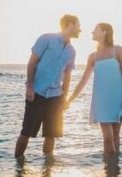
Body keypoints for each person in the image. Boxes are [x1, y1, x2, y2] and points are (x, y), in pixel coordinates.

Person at [14, 15, 81, 158]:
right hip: (36, 94)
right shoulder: (46, 39)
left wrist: (64, 97)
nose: (80, 29)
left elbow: (67, 75)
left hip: (56, 97)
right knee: (26, 132)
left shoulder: (71, 51)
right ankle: (18, 168)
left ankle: (47, 173)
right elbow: (31, 63)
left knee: (51, 135)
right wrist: (30, 86)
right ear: (70, 25)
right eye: (78, 25)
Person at [65, 23, 122, 155]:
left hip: (117, 99)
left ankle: (114, 169)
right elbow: (83, 81)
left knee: (116, 135)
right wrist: (70, 100)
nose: (92, 32)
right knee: (107, 138)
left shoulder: (118, 50)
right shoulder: (93, 56)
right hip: (101, 101)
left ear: (105, 32)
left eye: (95, 30)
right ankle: (110, 170)